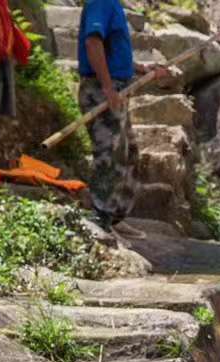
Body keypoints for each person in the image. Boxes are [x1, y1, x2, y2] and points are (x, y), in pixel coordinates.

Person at [79, 0, 140, 229]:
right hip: (100, 90)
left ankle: (114, 216)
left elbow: (114, 51)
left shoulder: (112, 4)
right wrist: (107, 87)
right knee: (108, 155)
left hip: (116, 87)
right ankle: (99, 216)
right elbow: (93, 42)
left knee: (128, 153)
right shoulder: (101, 2)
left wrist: (143, 69)